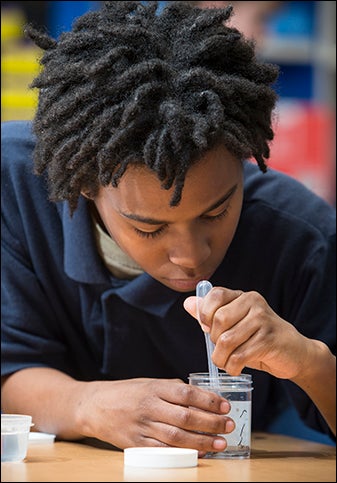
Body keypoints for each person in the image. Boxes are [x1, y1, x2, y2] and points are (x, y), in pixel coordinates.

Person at [1, 1, 335, 455]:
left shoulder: (303, 235)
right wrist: (87, 405)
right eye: (150, 228)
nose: (191, 256)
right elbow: (9, 367)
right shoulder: (14, 187)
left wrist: (309, 361)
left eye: (216, 213)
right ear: (83, 185)